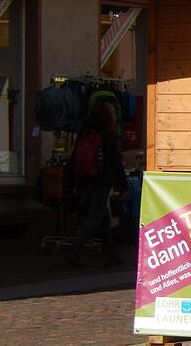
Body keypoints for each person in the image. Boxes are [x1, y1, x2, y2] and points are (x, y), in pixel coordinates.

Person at [66, 101, 128, 267]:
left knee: (103, 219)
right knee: (94, 218)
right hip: (102, 181)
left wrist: (71, 181)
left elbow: (74, 158)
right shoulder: (107, 134)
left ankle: (110, 254)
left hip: (84, 180)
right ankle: (74, 252)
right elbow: (115, 161)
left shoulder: (85, 131)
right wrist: (122, 184)